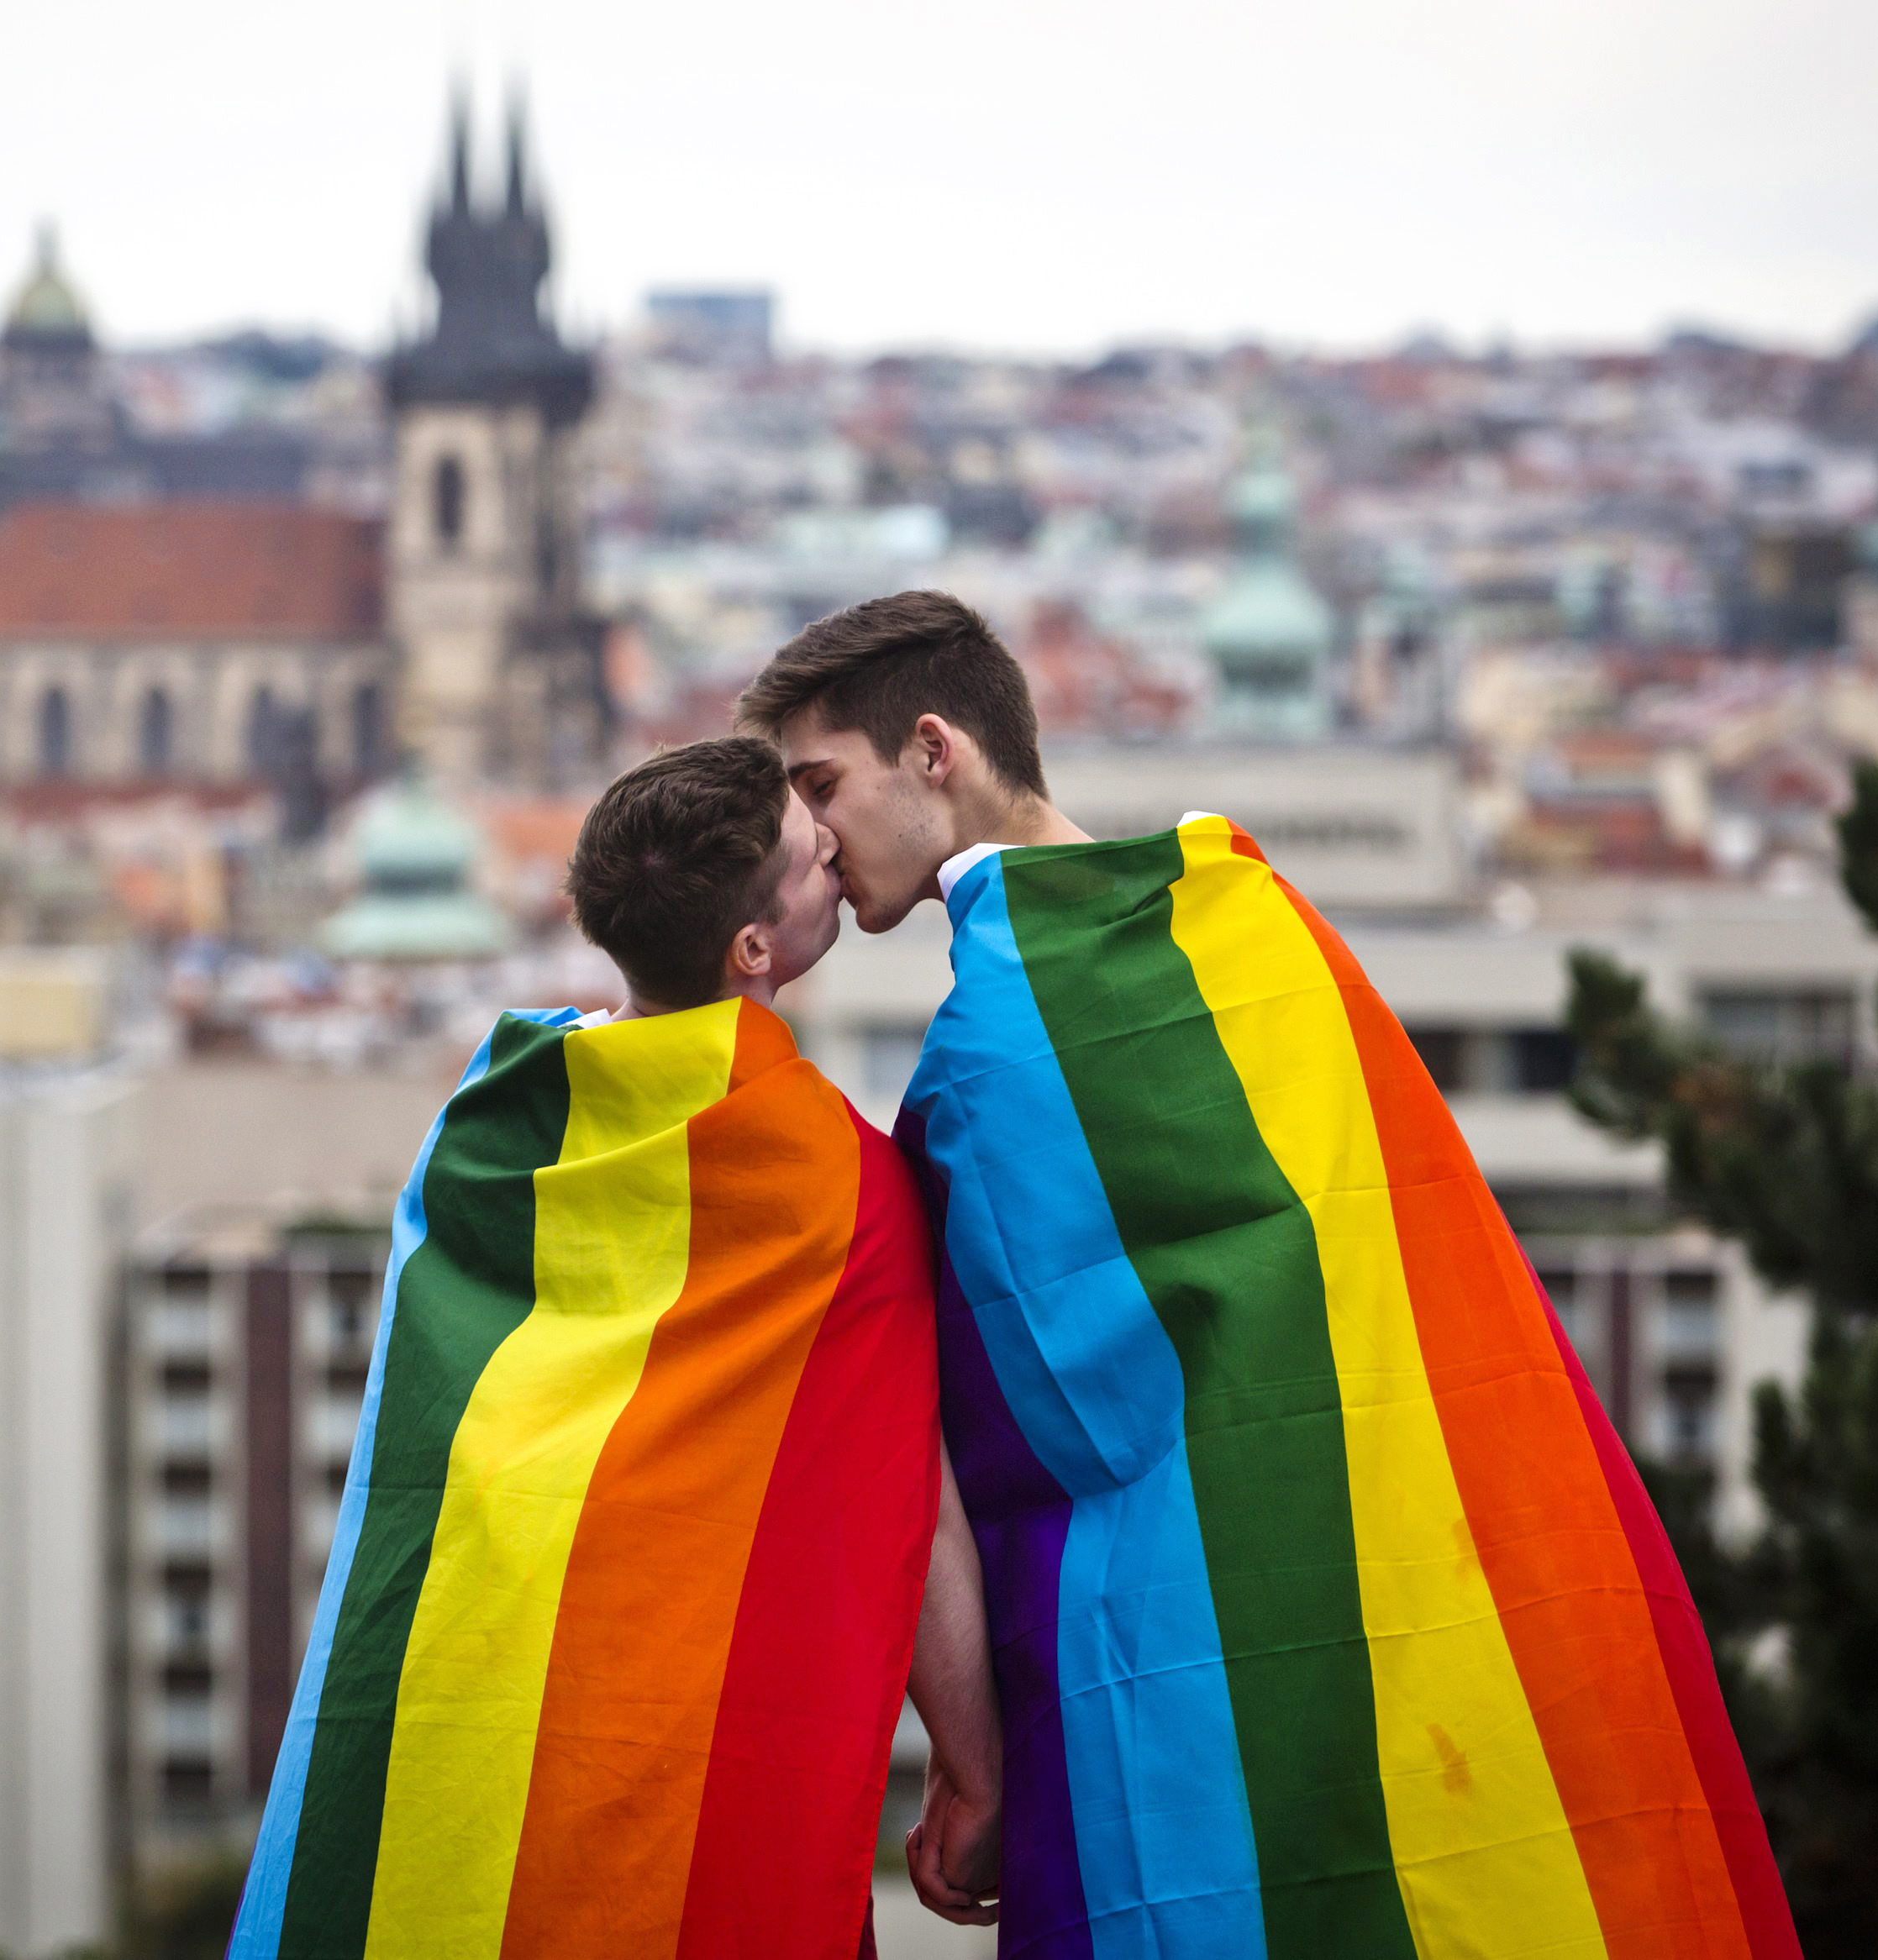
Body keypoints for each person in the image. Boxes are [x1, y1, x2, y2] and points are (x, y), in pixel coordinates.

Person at [739, 596, 1802, 1959]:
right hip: (1399, 1601)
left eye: (821, 786)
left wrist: (973, 1754)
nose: (811, 837)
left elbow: (956, 1428)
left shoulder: (991, 1053)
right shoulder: (1253, 927)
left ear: (933, 749)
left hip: (1160, 1682)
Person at [229, 737, 990, 1960]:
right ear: (753, 948)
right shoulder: (836, 1186)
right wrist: (978, 1766)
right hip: (677, 1719)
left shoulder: (489, 1118)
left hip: (466, 1706)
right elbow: (917, 1497)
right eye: (807, 855)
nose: (832, 847)